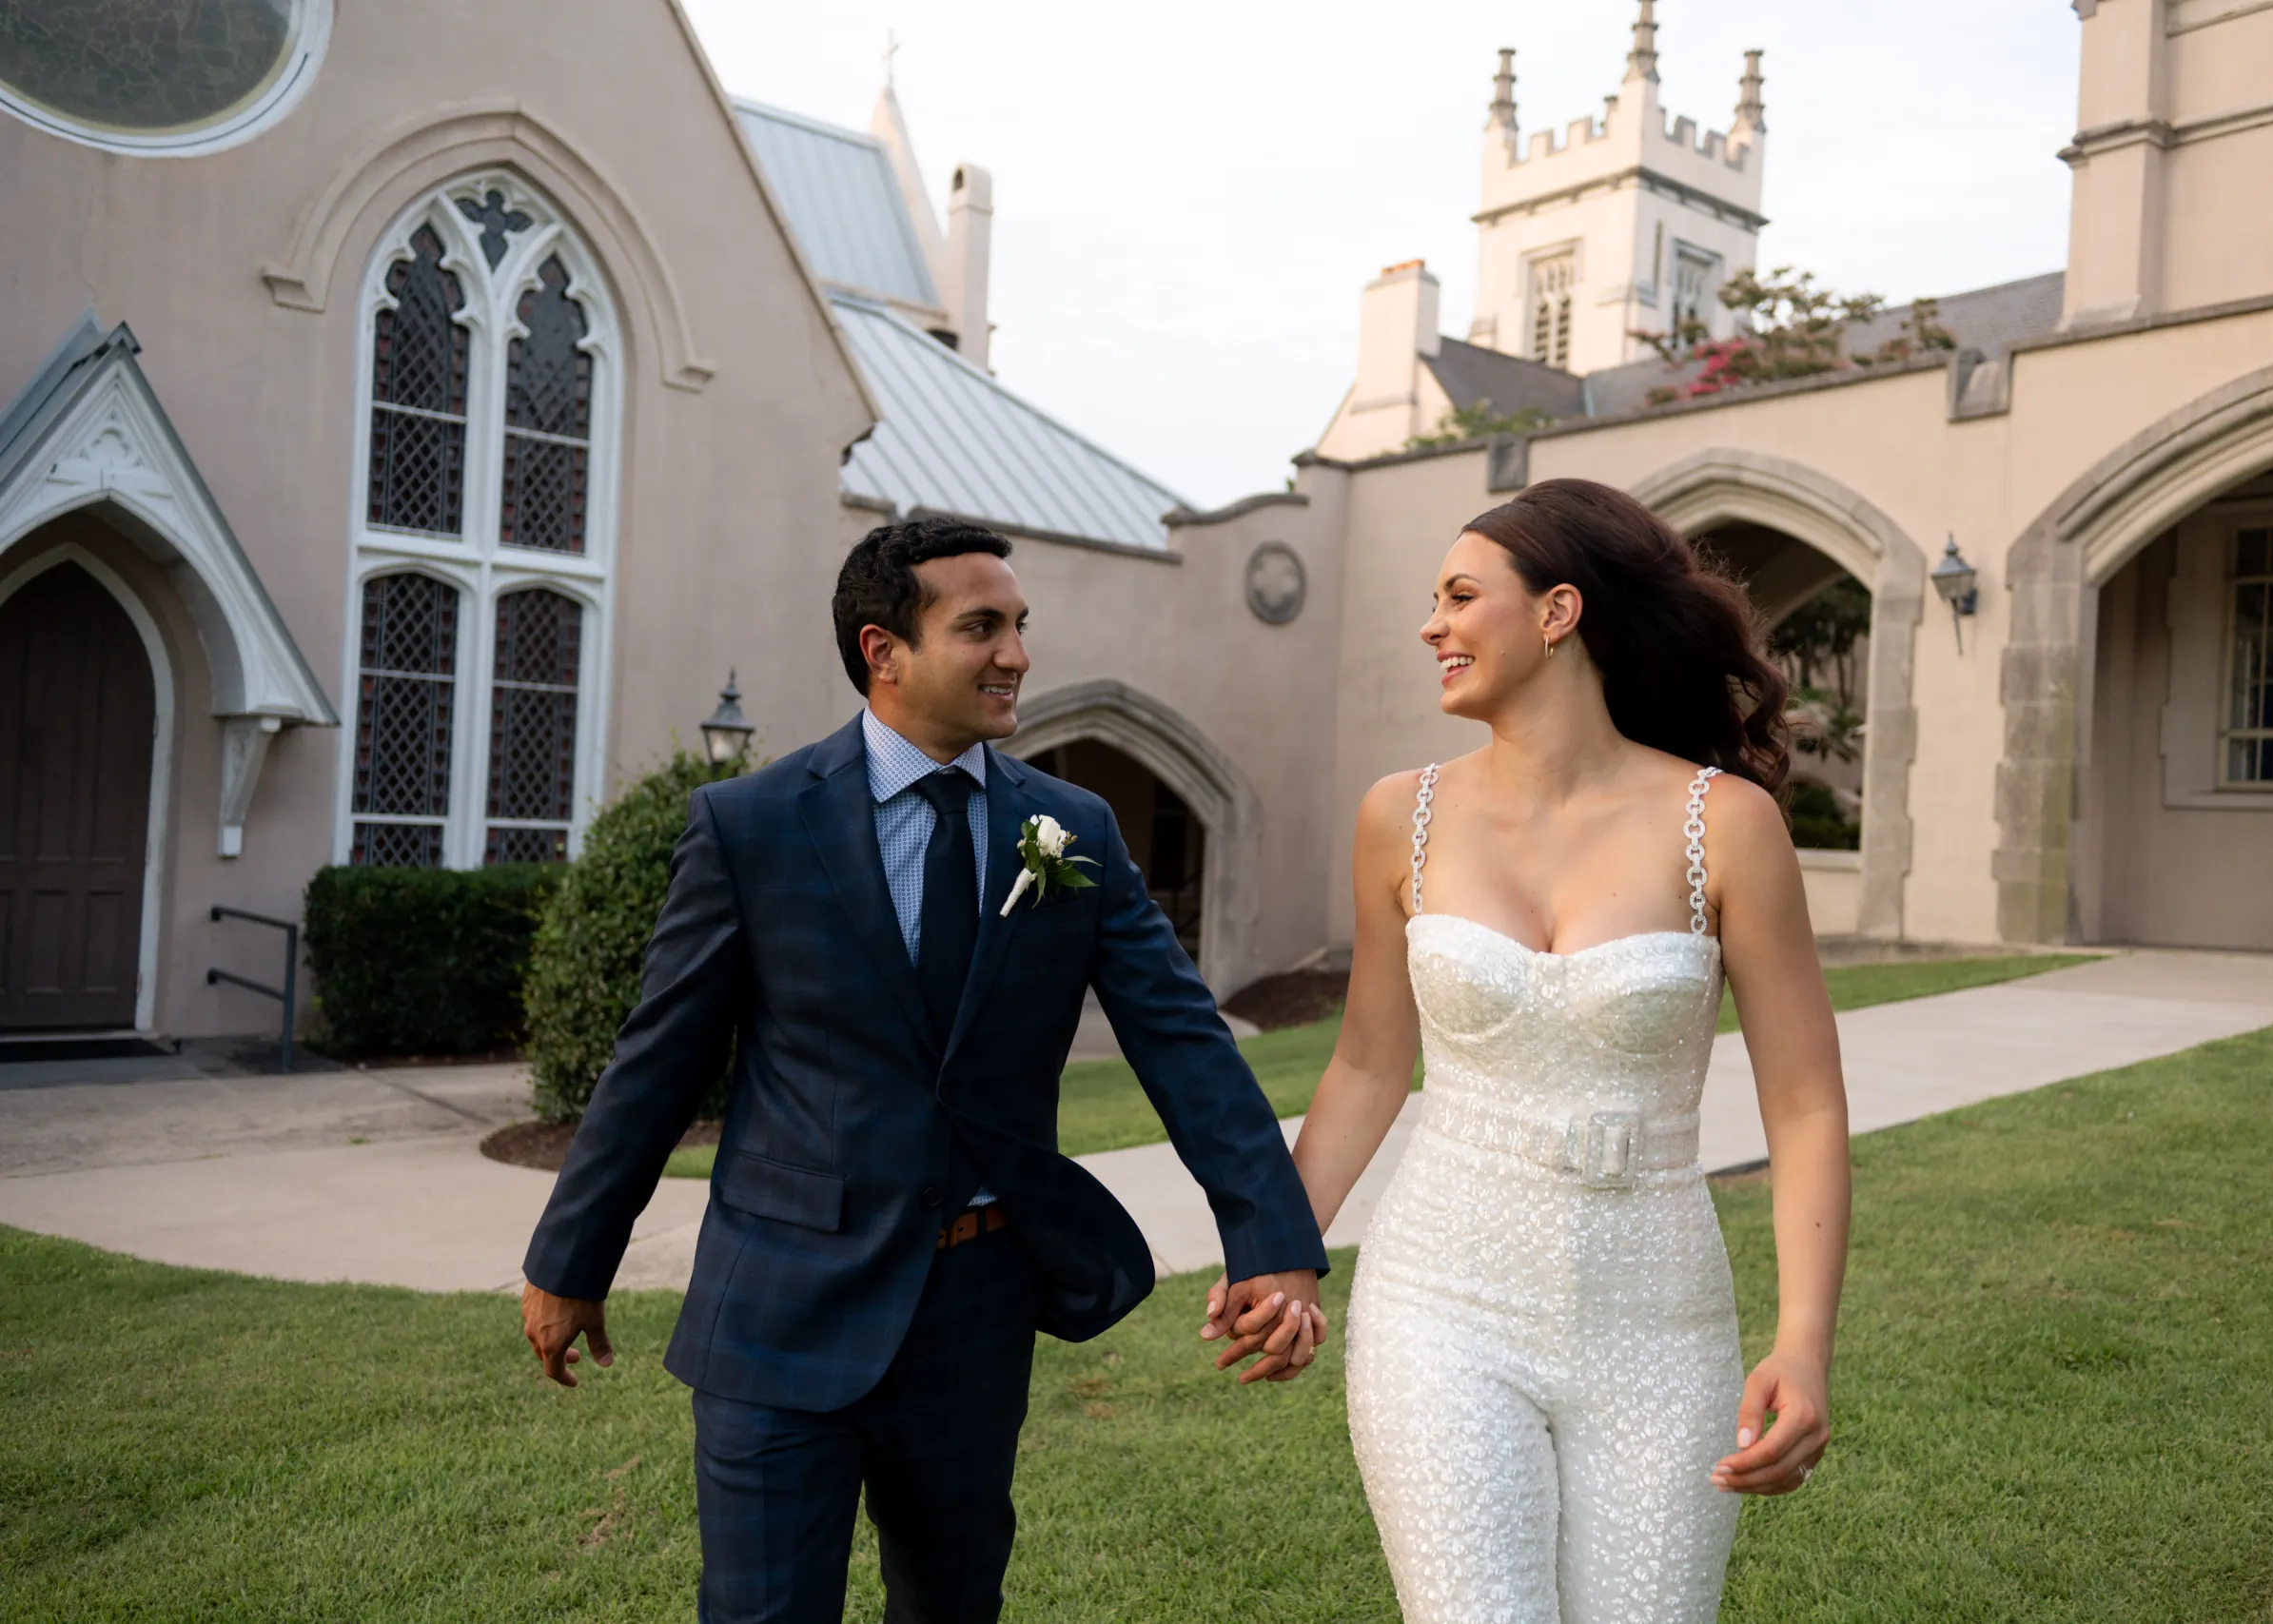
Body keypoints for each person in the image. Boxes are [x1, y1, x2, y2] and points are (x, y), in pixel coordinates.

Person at [520, 516, 1329, 1624]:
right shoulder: (749, 826)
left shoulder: (1072, 829)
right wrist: (572, 1258)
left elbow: (1186, 1043)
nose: (1017, 655)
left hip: (974, 1307)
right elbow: (656, 1064)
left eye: (1019, 626)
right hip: (777, 1304)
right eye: (981, 627)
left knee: (952, 1606)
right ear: (882, 651)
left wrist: (1272, 1242)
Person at [1214, 478, 1852, 1621]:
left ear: (1558, 613)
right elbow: (1367, 1063)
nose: (1431, 626)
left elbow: (1803, 1107)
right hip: (1438, 1302)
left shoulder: (1727, 825)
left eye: (1461, 596)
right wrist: (1280, 1242)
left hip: (1659, 1323)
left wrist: (1801, 1346)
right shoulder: (1396, 816)